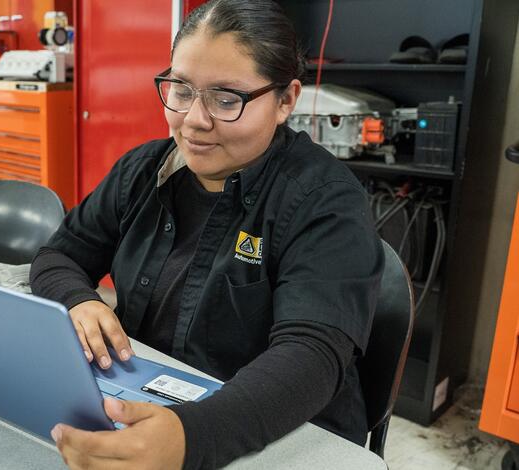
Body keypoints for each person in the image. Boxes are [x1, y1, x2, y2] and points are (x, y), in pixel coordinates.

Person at [30, 0, 384, 468]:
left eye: (225, 98)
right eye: (181, 89)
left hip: (284, 437)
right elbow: (59, 256)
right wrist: (80, 299)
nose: (194, 120)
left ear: (285, 100)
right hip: (153, 399)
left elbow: (311, 357)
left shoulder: (324, 201)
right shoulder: (143, 170)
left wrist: (190, 437)